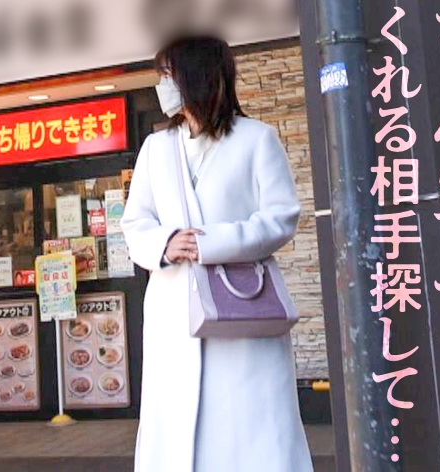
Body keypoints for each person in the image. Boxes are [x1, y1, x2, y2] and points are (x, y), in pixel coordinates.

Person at [120, 35, 313, 472]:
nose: (162, 86)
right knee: (176, 424)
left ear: (195, 77)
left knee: (250, 423)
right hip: (174, 308)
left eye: (168, 75)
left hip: (242, 304)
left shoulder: (256, 140)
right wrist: (165, 244)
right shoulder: (155, 148)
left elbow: (281, 216)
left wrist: (211, 243)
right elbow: (135, 222)